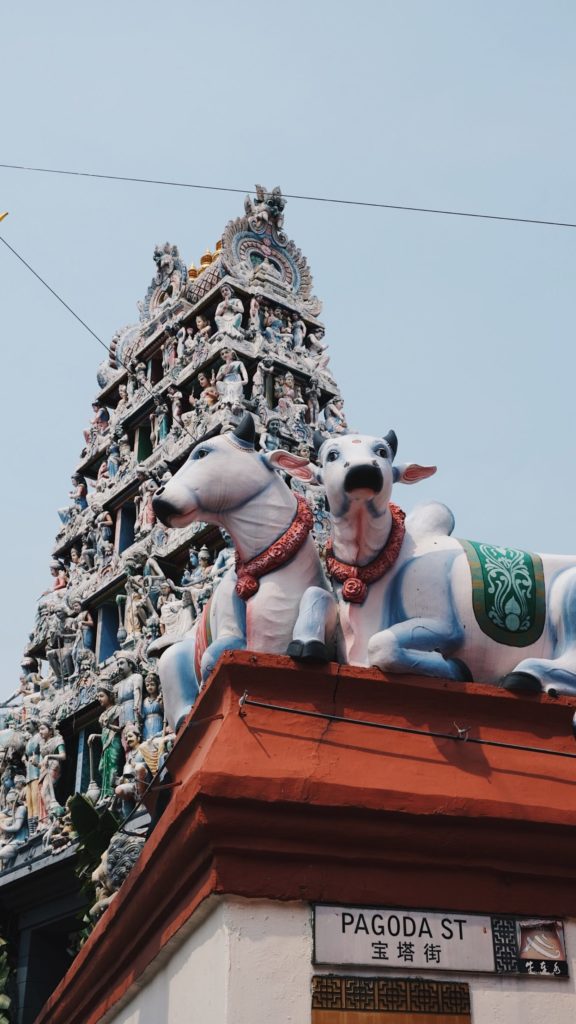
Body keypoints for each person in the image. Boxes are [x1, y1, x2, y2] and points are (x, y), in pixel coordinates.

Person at [88, 684, 122, 801]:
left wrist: (108, 725)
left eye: (101, 696)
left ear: (110, 696)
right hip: (106, 744)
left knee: (113, 767)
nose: (99, 699)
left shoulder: (117, 709)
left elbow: (120, 729)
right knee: (102, 768)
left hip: (114, 741)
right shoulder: (103, 715)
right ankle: (106, 794)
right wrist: (96, 735)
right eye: (98, 696)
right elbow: (104, 732)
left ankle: (112, 794)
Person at [37, 718, 66, 827]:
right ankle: (49, 818)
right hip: (44, 769)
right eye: (39, 730)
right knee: (42, 793)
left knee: (46, 791)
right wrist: (35, 763)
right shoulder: (42, 744)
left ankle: (55, 815)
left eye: (43, 729)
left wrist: (49, 756)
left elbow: (63, 756)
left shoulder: (57, 739)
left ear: (50, 729)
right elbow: (41, 763)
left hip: (54, 765)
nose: (40, 732)